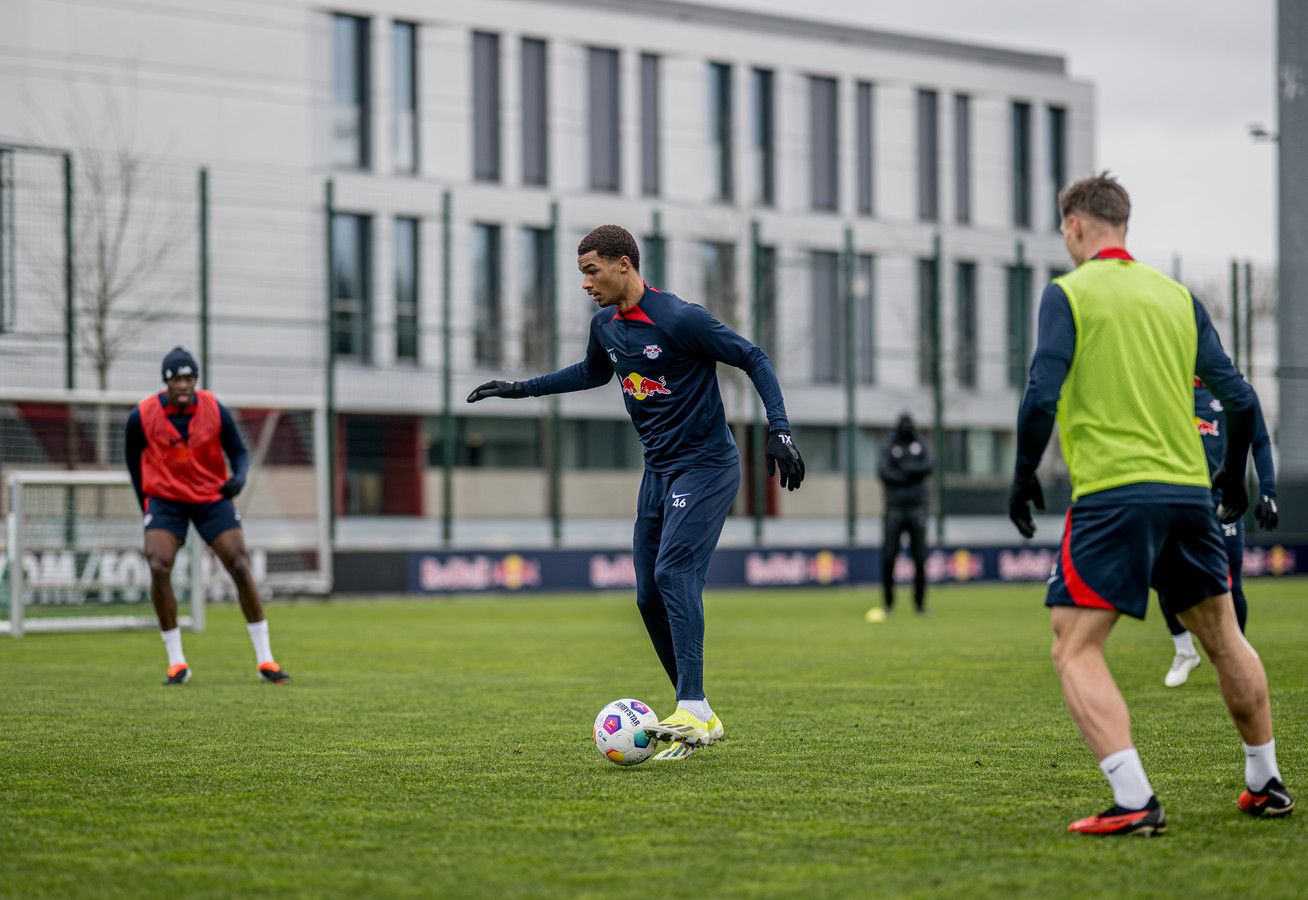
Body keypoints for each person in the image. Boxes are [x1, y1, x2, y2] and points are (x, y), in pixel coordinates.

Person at [1008, 173, 1292, 835]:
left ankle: (1134, 800)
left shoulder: (1069, 294)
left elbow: (1040, 393)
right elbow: (1243, 401)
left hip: (1114, 494)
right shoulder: (1176, 297)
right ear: (1123, 225)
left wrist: (1023, 475)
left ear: (1075, 226)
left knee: (1074, 647)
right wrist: (1232, 479)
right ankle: (1265, 780)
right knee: (1225, 638)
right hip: (1190, 493)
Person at [468, 225, 803, 761]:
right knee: (648, 596)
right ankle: (700, 714)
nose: (585, 283)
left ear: (624, 264)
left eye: (591, 270)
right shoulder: (605, 326)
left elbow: (753, 357)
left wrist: (779, 428)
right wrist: (519, 388)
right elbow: (590, 373)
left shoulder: (678, 318)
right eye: (581, 273)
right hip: (658, 473)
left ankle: (691, 706)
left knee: (674, 572)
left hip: (707, 466)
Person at [125, 347, 291, 685]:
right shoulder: (141, 414)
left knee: (239, 563)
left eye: (188, 377)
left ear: (196, 380)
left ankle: (265, 660)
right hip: (165, 499)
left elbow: (240, 451)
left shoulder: (215, 408)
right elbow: (132, 461)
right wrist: (145, 501)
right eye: (176, 379)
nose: (183, 384)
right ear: (165, 382)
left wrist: (239, 479)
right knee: (158, 565)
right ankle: (176, 663)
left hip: (211, 497)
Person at [1160, 380, 1277, 687]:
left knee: (1231, 584)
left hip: (1222, 503)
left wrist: (1267, 491)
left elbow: (1261, 440)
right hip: (1177, 499)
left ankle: (1237, 656)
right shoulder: (1167, 383)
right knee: (1160, 576)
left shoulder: (1235, 388)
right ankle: (1185, 650)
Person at [877, 412, 934, 615]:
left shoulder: (921, 444)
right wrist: (912, 473)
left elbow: (928, 465)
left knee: (919, 558)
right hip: (894, 508)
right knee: (889, 557)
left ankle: (919, 604)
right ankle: (888, 603)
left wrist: (902, 467)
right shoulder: (888, 445)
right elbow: (884, 472)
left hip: (917, 507)